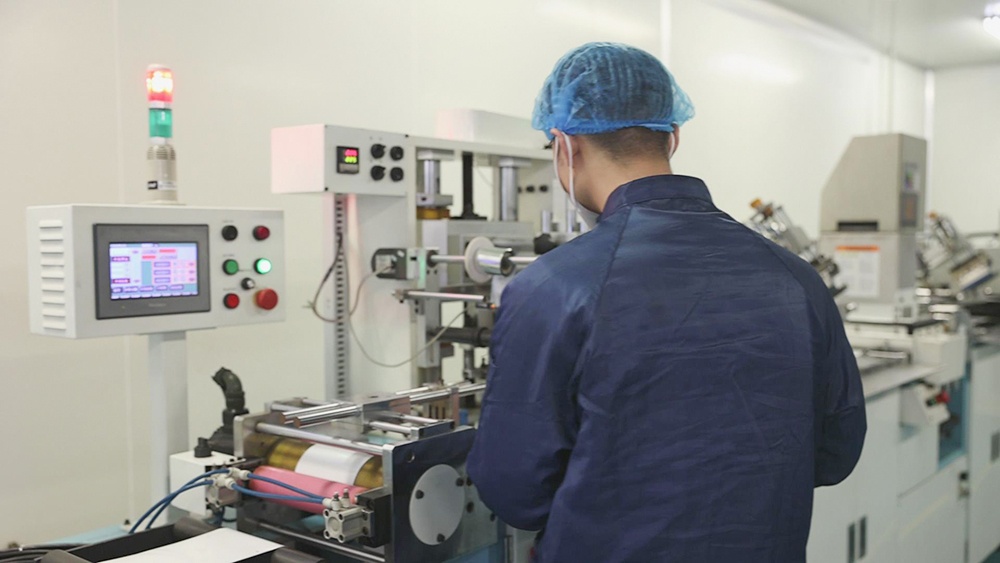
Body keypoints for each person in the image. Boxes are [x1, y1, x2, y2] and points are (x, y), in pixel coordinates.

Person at [466, 42, 866, 562]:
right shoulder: (795, 276)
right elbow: (836, 453)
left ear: (564, 144)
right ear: (674, 134)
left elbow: (514, 490)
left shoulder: (553, 287)